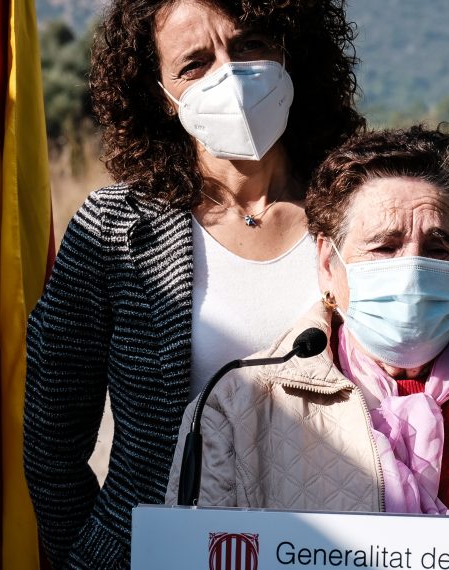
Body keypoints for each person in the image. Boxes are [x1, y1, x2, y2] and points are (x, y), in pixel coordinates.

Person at [22, 0, 364, 566]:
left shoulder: (364, 214)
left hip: (333, 549)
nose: (229, 73)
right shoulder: (114, 230)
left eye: (249, 43)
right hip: (161, 552)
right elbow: (51, 443)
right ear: (160, 92)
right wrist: (92, 553)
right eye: (195, 63)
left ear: (289, 49)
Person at [163, 126, 449, 520]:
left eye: (439, 247)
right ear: (328, 265)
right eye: (384, 247)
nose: (412, 267)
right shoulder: (236, 407)